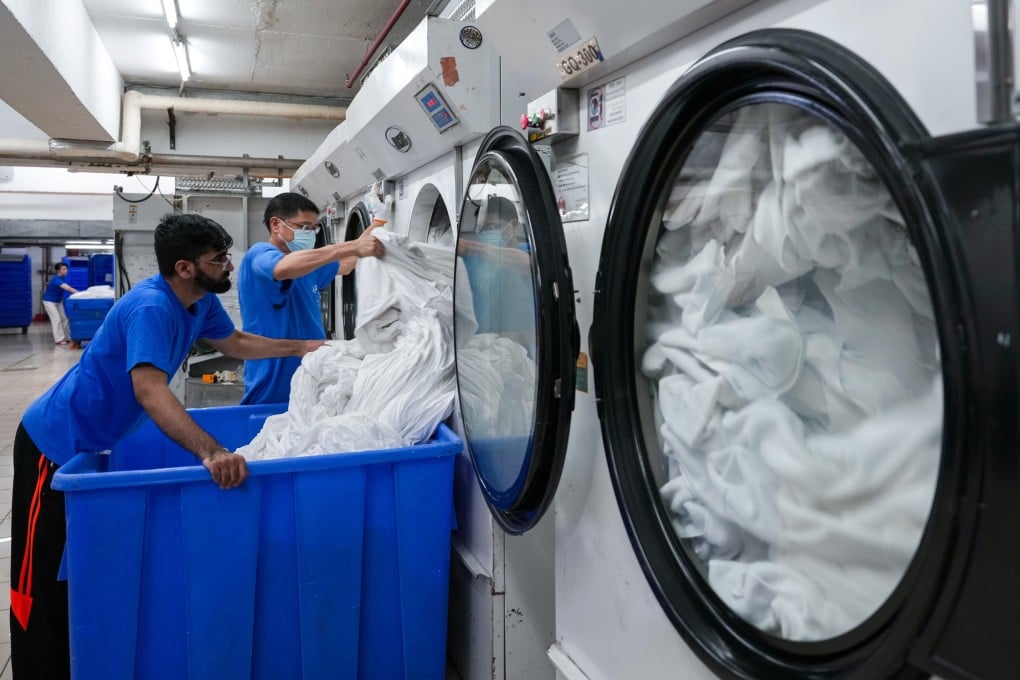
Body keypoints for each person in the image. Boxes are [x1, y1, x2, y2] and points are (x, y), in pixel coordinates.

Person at [10, 213, 327, 680]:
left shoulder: (199, 302)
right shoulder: (153, 308)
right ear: (184, 267)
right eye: (218, 259)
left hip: (92, 442)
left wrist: (301, 348)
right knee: (36, 580)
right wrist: (212, 451)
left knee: (72, 571)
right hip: (54, 443)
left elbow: (235, 342)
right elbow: (150, 390)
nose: (227, 266)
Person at [238, 192, 385, 405]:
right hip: (273, 385)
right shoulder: (259, 254)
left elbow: (347, 264)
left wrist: (379, 223)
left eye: (314, 228)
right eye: (304, 227)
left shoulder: (308, 267)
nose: (311, 234)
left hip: (313, 380)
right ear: (276, 224)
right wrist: (351, 246)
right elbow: (283, 268)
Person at [42, 263, 79, 346]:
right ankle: (59, 339)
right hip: (49, 302)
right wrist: (81, 294)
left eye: (66, 269)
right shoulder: (56, 279)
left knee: (65, 319)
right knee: (56, 320)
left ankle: (68, 337)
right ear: (58, 271)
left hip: (58, 301)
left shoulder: (62, 278)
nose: (66, 271)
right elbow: (68, 288)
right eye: (63, 269)